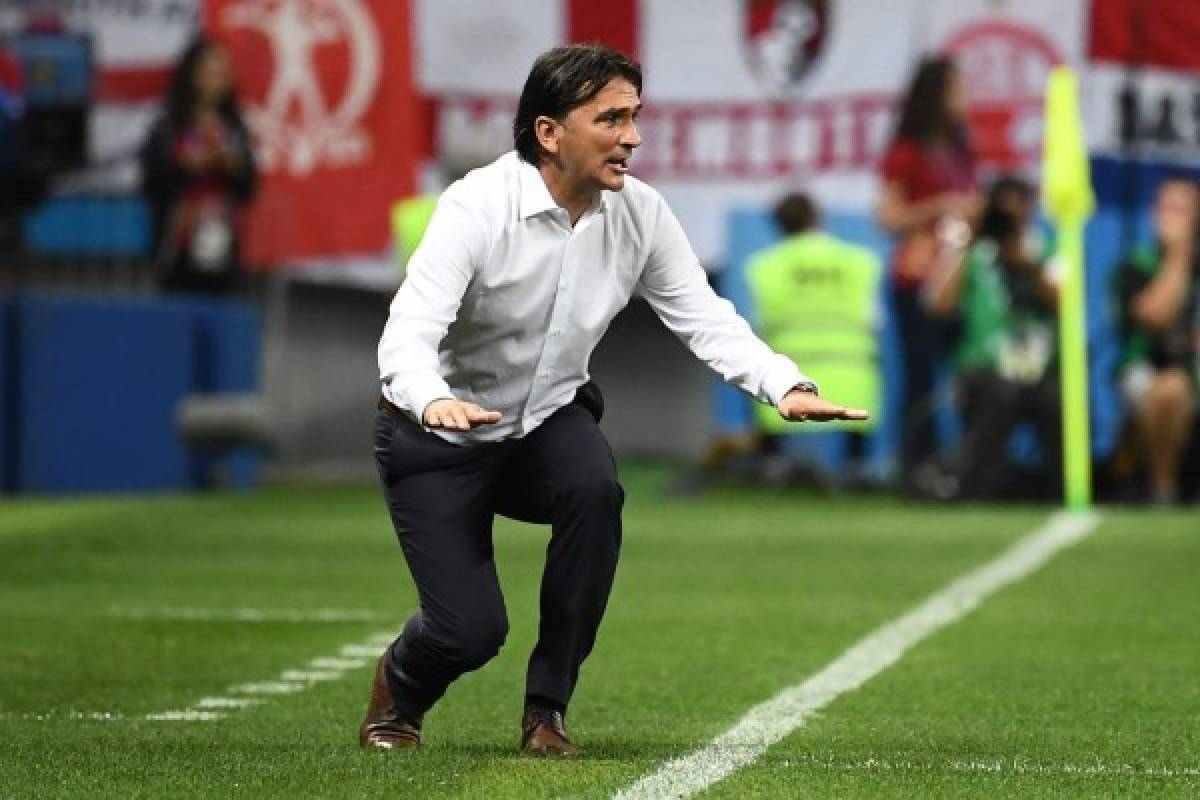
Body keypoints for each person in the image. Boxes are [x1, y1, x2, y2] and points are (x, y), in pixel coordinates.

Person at [365, 44, 868, 755]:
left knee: (595, 490)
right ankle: (398, 696)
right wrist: (430, 398)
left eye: (635, 116)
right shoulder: (476, 206)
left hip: (545, 421)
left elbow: (704, 314)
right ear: (549, 132)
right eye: (611, 118)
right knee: (470, 633)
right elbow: (408, 332)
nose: (633, 136)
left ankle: (546, 712)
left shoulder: (642, 213)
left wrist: (784, 385)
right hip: (436, 436)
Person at [876, 55, 980, 492]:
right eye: (957, 89)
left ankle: (967, 463)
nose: (965, 98)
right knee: (920, 373)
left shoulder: (961, 149)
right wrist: (941, 207)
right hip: (918, 277)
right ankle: (915, 466)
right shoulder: (907, 151)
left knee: (968, 370)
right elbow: (888, 216)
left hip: (960, 278)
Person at [927, 176, 1061, 501]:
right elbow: (940, 305)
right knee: (1000, 394)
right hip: (984, 367)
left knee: (1058, 398)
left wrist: (1028, 266)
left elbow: (1062, 302)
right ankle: (976, 485)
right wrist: (966, 241)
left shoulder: (1046, 246)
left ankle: (1057, 487)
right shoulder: (973, 250)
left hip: (1040, 367)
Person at [746, 192, 882, 486]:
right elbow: (873, 319)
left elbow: (760, 323)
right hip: (849, 367)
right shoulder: (860, 261)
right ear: (817, 217)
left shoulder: (765, 266)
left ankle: (770, 472)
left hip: (790, 370)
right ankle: (856, 475)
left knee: (770, 424)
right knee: (855, 428)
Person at [140, 37, 257, 295]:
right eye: (211, 71)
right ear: (193, 75)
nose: (219, 79)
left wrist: (233, 166)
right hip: (178, 239)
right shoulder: (170, 125)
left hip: (221, 238)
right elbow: (151, 179)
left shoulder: (234, 127)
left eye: (223, 72)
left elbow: (249, 186)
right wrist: (187, 166)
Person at [1113, 176, 1199, 504]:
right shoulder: (1136, 265)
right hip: (1145, 366)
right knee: (1170, 390)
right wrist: (1179, 257)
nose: (1170, 217)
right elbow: (1154, 316)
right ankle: (1164, 486)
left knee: (1176, 385)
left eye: (1181, 209)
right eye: (1166, 208)